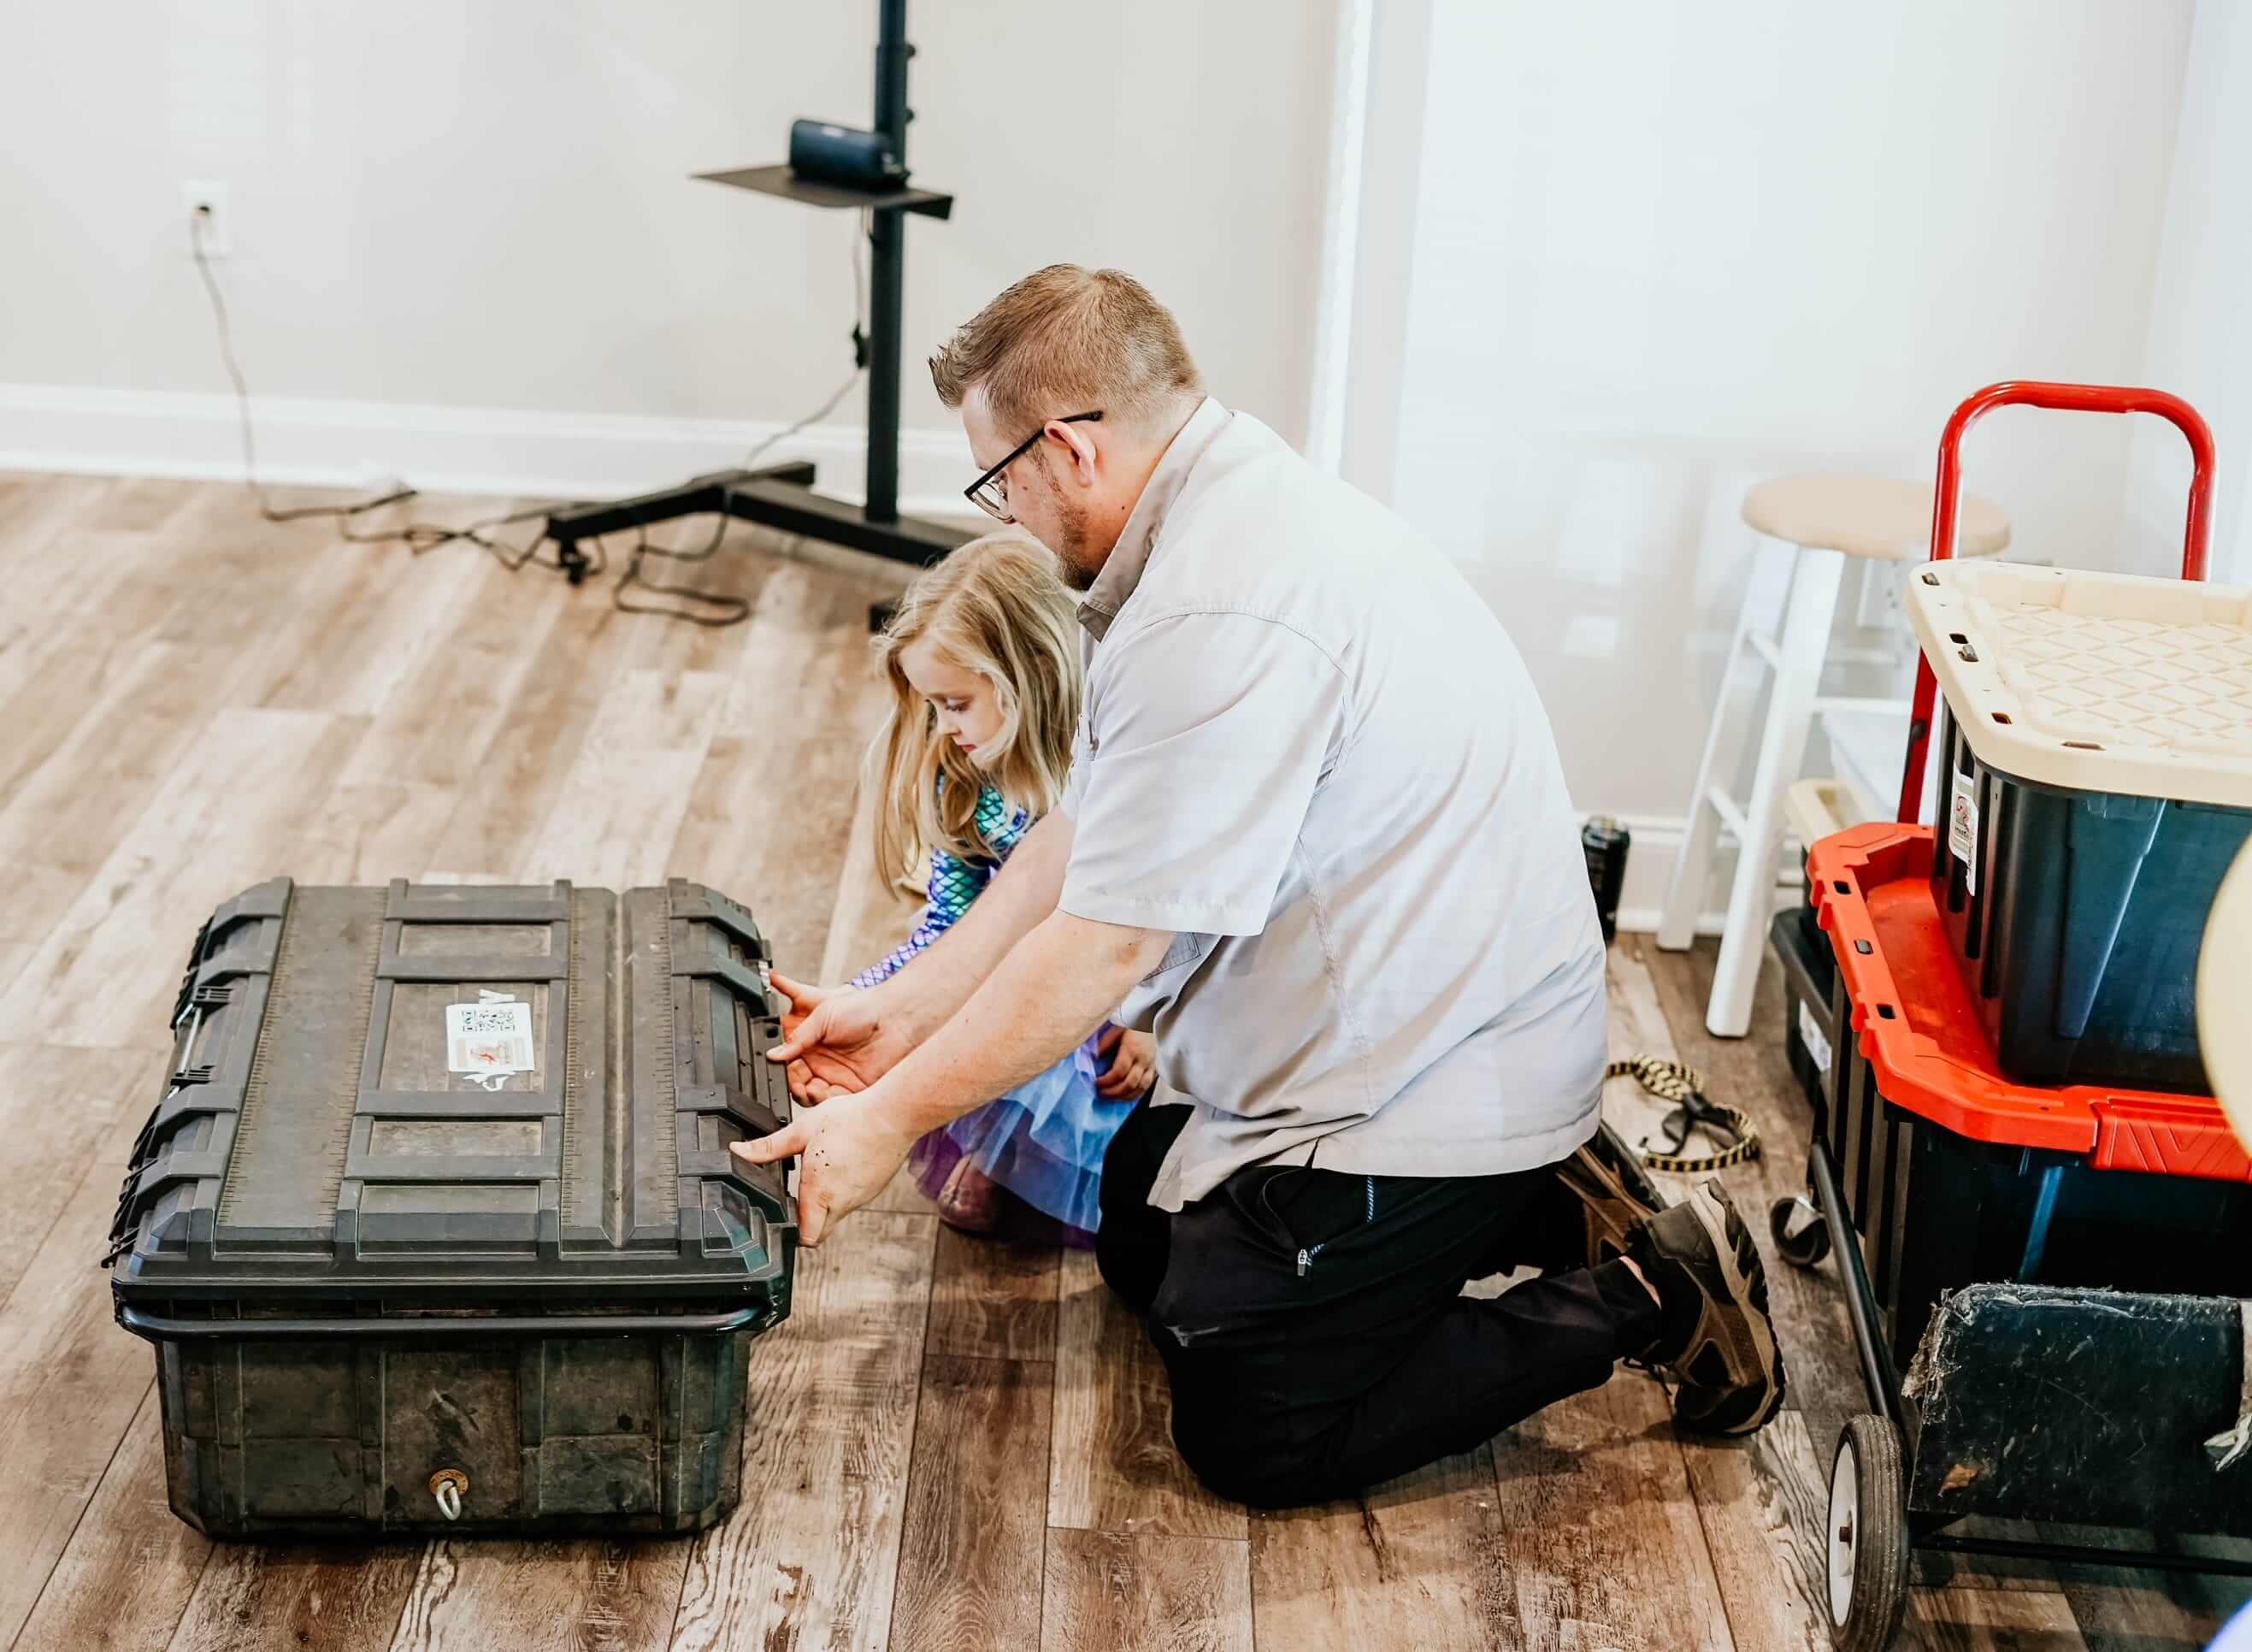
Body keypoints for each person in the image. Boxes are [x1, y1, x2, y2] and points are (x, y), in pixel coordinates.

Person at [734, 265, 1784, 1507]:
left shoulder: (1216, 610)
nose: (1001, 512)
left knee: (1253, 1429)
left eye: (997, 481)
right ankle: (1534, 1208)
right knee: (1138, 1233)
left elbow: (1103, 948)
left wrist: (888, 1119)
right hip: (1408, 1019)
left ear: (1068, 449)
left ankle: (1647, 1291)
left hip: (1436, 1075)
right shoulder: (1219, 518)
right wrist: (903, 1016)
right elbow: (1087, 835)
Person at [831, 531, 1152, 1240]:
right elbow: (946, 924)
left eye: (957, 703)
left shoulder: (1112, 776)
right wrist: (865, 996)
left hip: (1104, 995)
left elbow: (1158, 924)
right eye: (934, 707)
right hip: (1010, 976)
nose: (943, 728)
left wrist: (1148, 1024)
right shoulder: (967, 779)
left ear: (1028, 674)